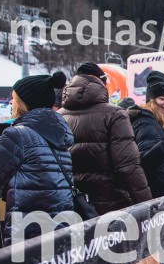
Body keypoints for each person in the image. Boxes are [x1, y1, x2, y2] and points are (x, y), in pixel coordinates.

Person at [0, 72, 75, 243]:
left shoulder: (17, 135)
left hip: (26, 231)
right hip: (59, 227)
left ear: (24, 103)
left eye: (14, 98)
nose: (11, 103)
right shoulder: (59, 133)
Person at [60, 62, 152, 214]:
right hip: (113, 203)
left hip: (75, 204)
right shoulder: (114, 114)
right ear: (101, 82)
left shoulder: (60, 116)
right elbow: (128, 166)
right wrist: (149, 204)